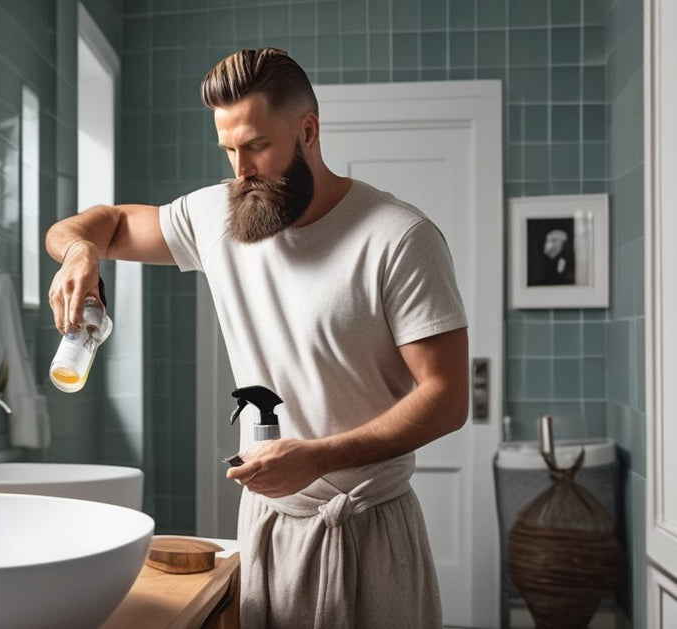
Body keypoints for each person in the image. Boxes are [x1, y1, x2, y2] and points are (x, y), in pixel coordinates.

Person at [45, 48, 469, 628]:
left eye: (256, 146)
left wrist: (319, 457)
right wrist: (79, 250)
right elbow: (104, 222)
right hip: (267, 527)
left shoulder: (399, 237)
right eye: (228, 149)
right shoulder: (217, 217)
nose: (240, 168)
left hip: (368, 532)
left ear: (308, 130)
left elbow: (446, 397)